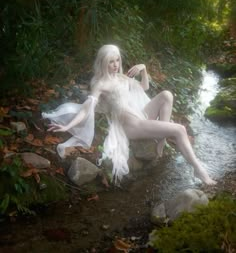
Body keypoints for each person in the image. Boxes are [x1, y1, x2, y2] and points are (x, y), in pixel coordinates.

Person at [42, 44, 216, 185]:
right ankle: (198, 169)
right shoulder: (100, 84)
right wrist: (67, 126)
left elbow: (144, 88)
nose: (116, 64)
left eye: (117, 60)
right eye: (111, 61)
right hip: (131, 126)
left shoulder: (120, 77)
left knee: (166, 95)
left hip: (139, 114)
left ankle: (161, 140)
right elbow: (86, 109)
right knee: (179, 129)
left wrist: (144, 69)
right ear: (103, 63)